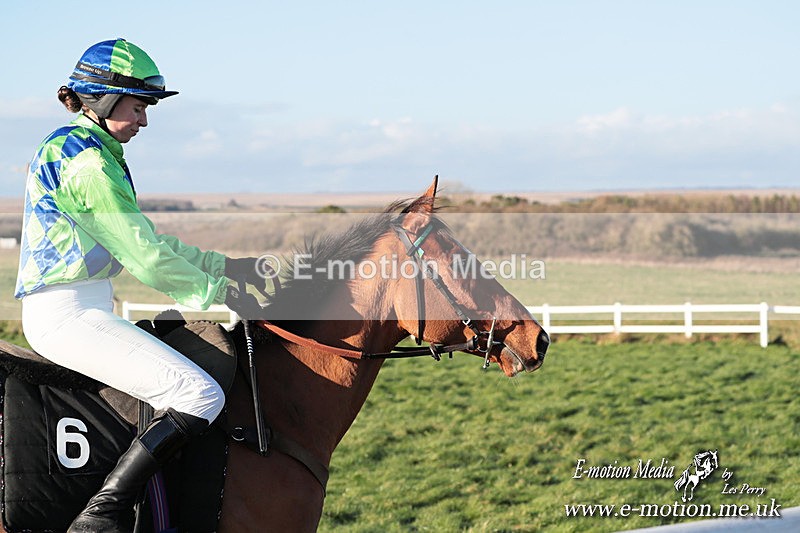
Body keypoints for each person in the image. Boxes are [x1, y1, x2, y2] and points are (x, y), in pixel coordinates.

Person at [15, 38, 264, 533]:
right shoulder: (88, 164)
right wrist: (219, 293)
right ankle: (101, 515)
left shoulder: (85, 149)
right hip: (69, 317)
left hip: (82, 308)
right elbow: (146, 258)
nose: (144, 121)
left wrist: (224, 267)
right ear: (104, 100)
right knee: (200, 397)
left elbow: (148, 239)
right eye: (138, 107)